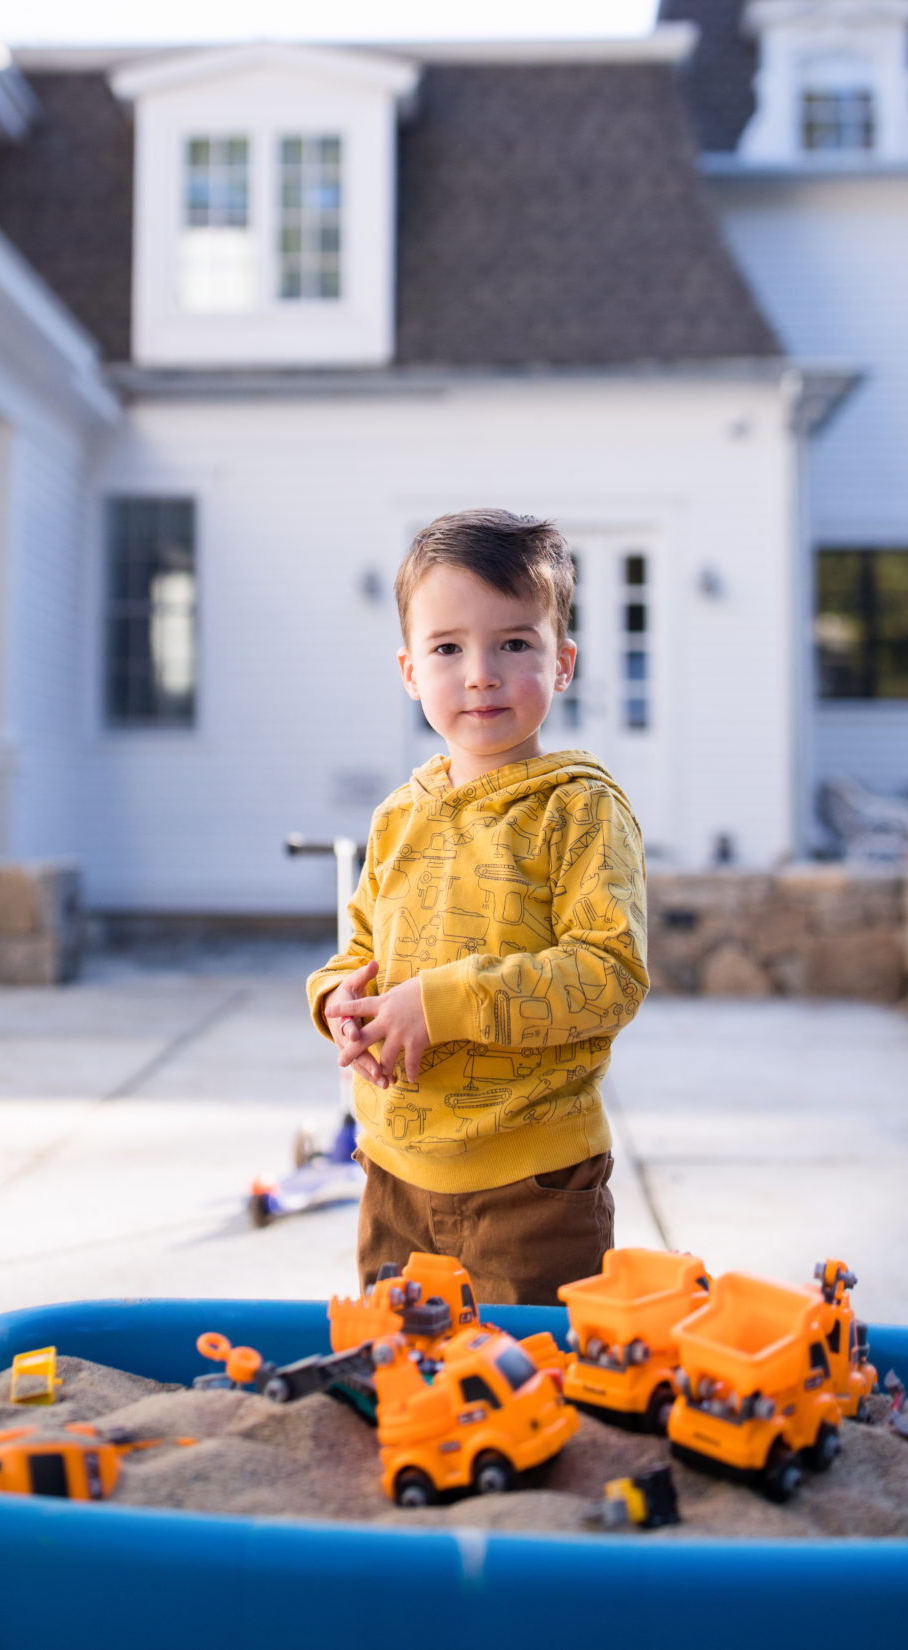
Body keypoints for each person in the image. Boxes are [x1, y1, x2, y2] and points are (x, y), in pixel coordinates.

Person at [307, 509, 648, 1304]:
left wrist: (442, 1004)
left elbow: (609, 976)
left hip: (531, 1187)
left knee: (530, 1386)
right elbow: (353, 950)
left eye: (514, 643)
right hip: (393, 1175)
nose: (481, 673)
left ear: (562, 663)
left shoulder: (579, 810)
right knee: (400, 1380)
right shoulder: (400, 814)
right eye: (448, 648)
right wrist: (337, 1004)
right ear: (409, 670)